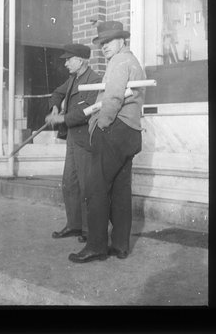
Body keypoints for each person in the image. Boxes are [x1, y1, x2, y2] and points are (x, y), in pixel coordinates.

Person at [68, 21, 146, 263]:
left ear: (122, 40)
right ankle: (120, 246)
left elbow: (113, 96)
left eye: (109, 42)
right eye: (101, 43)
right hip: (132, 133)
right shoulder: (134, 62)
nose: (104, 47)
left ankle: (96, 246)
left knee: (95, 188)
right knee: (121, 191)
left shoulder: (119, 61)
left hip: (114, 129)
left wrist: (102, 123)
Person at [46, 43, 101, 243]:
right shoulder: (72, 78)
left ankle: (88, 229)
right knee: (69, 183)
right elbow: (57, 93)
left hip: (85, 140)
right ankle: (73, 224)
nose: (66, 63)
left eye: (69, 59)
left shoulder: (95, 80)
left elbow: (90, 108)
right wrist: (54, 108)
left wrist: (63, 119)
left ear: (81, 60)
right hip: (71, 138)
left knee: (87, 186)